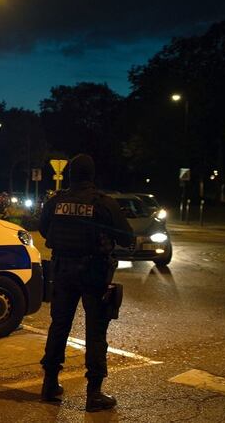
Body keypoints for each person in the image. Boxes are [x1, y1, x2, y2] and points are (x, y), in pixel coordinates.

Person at [38, 154, 133, 412]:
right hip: (93, 272)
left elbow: (44, 229)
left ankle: (49, 385)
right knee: (95, 331)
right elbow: (127, 238)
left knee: (59, 326)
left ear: (69, 175)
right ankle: (94, 394)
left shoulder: (56, 202)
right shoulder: (103, 204)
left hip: (63, 271)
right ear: (91, 176)